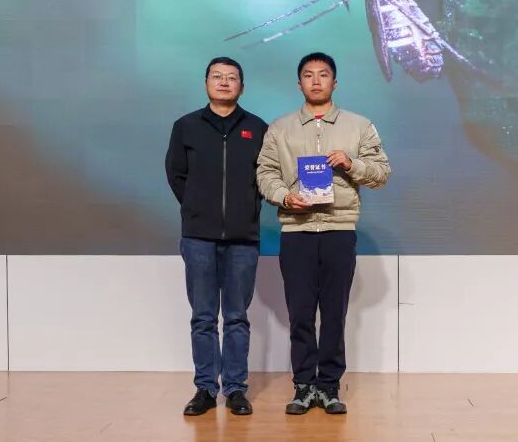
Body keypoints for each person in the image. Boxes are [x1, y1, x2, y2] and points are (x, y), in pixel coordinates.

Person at [256, 52, 391, 415]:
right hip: (296, 231)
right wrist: (284, 196)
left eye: (323, 74)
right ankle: (303, 386)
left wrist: (352, 163)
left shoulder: (359, 126)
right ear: (299, 83)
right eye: (308, 75)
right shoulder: (280, 128)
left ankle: (329, 386)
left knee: (334, 314)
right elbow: (265, 173)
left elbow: (381, 173)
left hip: (338, 230)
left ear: (335, 82)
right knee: (300, 313)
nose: (316, 81)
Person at [165, 57, 268, 416]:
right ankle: (205, 389)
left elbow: (266, 177)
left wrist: (246, 210)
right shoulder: (186, 126)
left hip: (243, 238)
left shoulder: (257, 128)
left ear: (242, 86)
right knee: (203, 317)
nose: (224, 82)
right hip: (198, 238)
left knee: (237, 316)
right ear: (206, 83)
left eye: (232, 77)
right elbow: (176, 174)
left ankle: (236, 389)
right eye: (217, 76)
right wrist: (198, 208)